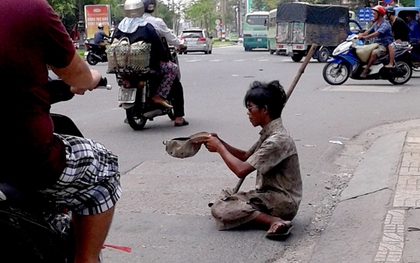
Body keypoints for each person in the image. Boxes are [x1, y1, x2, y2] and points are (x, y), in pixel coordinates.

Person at [0, 1, 122, 262]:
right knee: (105, 169)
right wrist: (92, 78)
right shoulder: (31, 9)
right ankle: (85, 259)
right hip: (25, 160)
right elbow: (78, 76)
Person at [198, 80, 302, 239]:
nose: (248, 113)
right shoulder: (270, 134)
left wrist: (219, 148)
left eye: (250, 108)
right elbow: (246, 156)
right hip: (268, 196)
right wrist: (221, 142)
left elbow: (241, 170)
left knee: (221, 208)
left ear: (264, 109)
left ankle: (274, 221)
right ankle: (252, 216)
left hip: (281, 202)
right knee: (223, 197)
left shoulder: (278, 141)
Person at [112, 0, 178, 109]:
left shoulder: (119, 27)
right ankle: (159, 95)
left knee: (123, 76)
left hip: (124, 65)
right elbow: (158, 45)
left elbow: (112, 43)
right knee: (172, 68)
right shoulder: (146, 26)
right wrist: (165, 58)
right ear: (141, 9)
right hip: (148, 65)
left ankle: (126, 90)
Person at [141, 0, 189, 126]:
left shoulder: (125, 23)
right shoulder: (155, 23)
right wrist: (180, 44)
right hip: (153, 63)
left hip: (131, 64)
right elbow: (170, 37)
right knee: (173, 72)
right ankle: (178, 117)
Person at [358, 5, 394, 77]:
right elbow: (368, 31)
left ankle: (366, 70)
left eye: (374, 14)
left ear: (380, 15)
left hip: (384, 45)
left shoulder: (385, 24)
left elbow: (376, 34)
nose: (373, 15)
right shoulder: (376, 23)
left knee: (374, 53)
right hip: (375, 44)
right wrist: (359, 35)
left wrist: (365, 37)